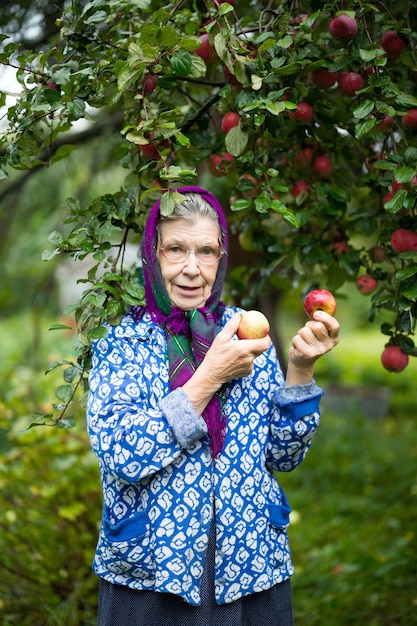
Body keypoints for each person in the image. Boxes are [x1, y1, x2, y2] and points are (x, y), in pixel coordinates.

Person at [86, 185, 340, 626]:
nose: (191, 268)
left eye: (205, 251)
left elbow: (283, 455)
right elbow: (123, 453)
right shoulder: (123, 344)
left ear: (221, 259)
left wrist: (299, 369)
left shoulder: (247, 334)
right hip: (150, 577)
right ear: (153, 255)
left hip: (249, 571)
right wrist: (208, 379)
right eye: (175, 249)